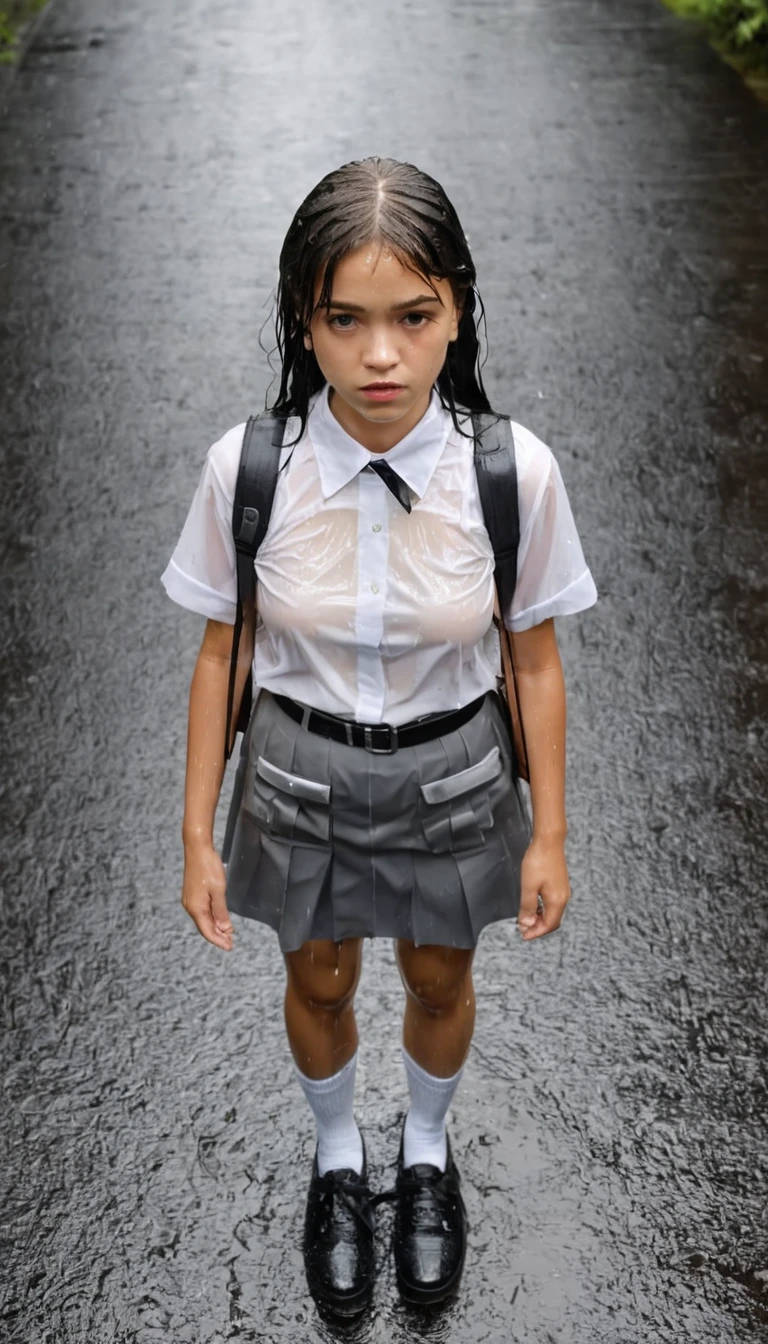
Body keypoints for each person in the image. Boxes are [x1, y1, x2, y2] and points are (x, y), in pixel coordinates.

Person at [161, 156, 598, 1316]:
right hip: (295, 767)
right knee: (316, 968)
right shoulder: (251, 469)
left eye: (413, 316)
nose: (381, 357)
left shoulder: (511, 474)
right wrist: (197, 835)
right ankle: (339, 1156)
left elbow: (535, 657)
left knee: (442, 970)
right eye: (343, 321)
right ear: (304, 323)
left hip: (453, 771)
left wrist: (550, 830)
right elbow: (221, 652)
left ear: (457, 307)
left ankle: (426, 1159)